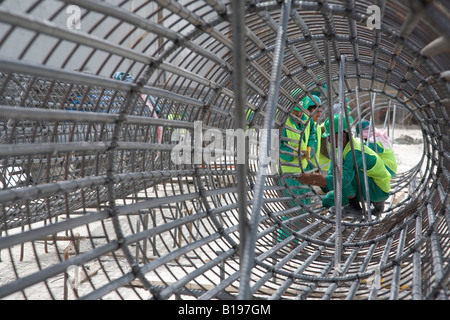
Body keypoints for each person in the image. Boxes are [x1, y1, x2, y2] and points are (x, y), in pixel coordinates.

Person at [297, 114, 392, 218]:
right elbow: (332, 173)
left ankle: (356, 207)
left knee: (345, 174)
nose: (328, 140)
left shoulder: (355, 151)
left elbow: (344, 179)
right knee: (327, 200)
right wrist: (319, 181)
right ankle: (366, 203)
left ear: (342, 135)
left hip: (378, 188)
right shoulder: (342, 148)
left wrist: (315, 178)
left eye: (330, 137)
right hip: (368, 185)